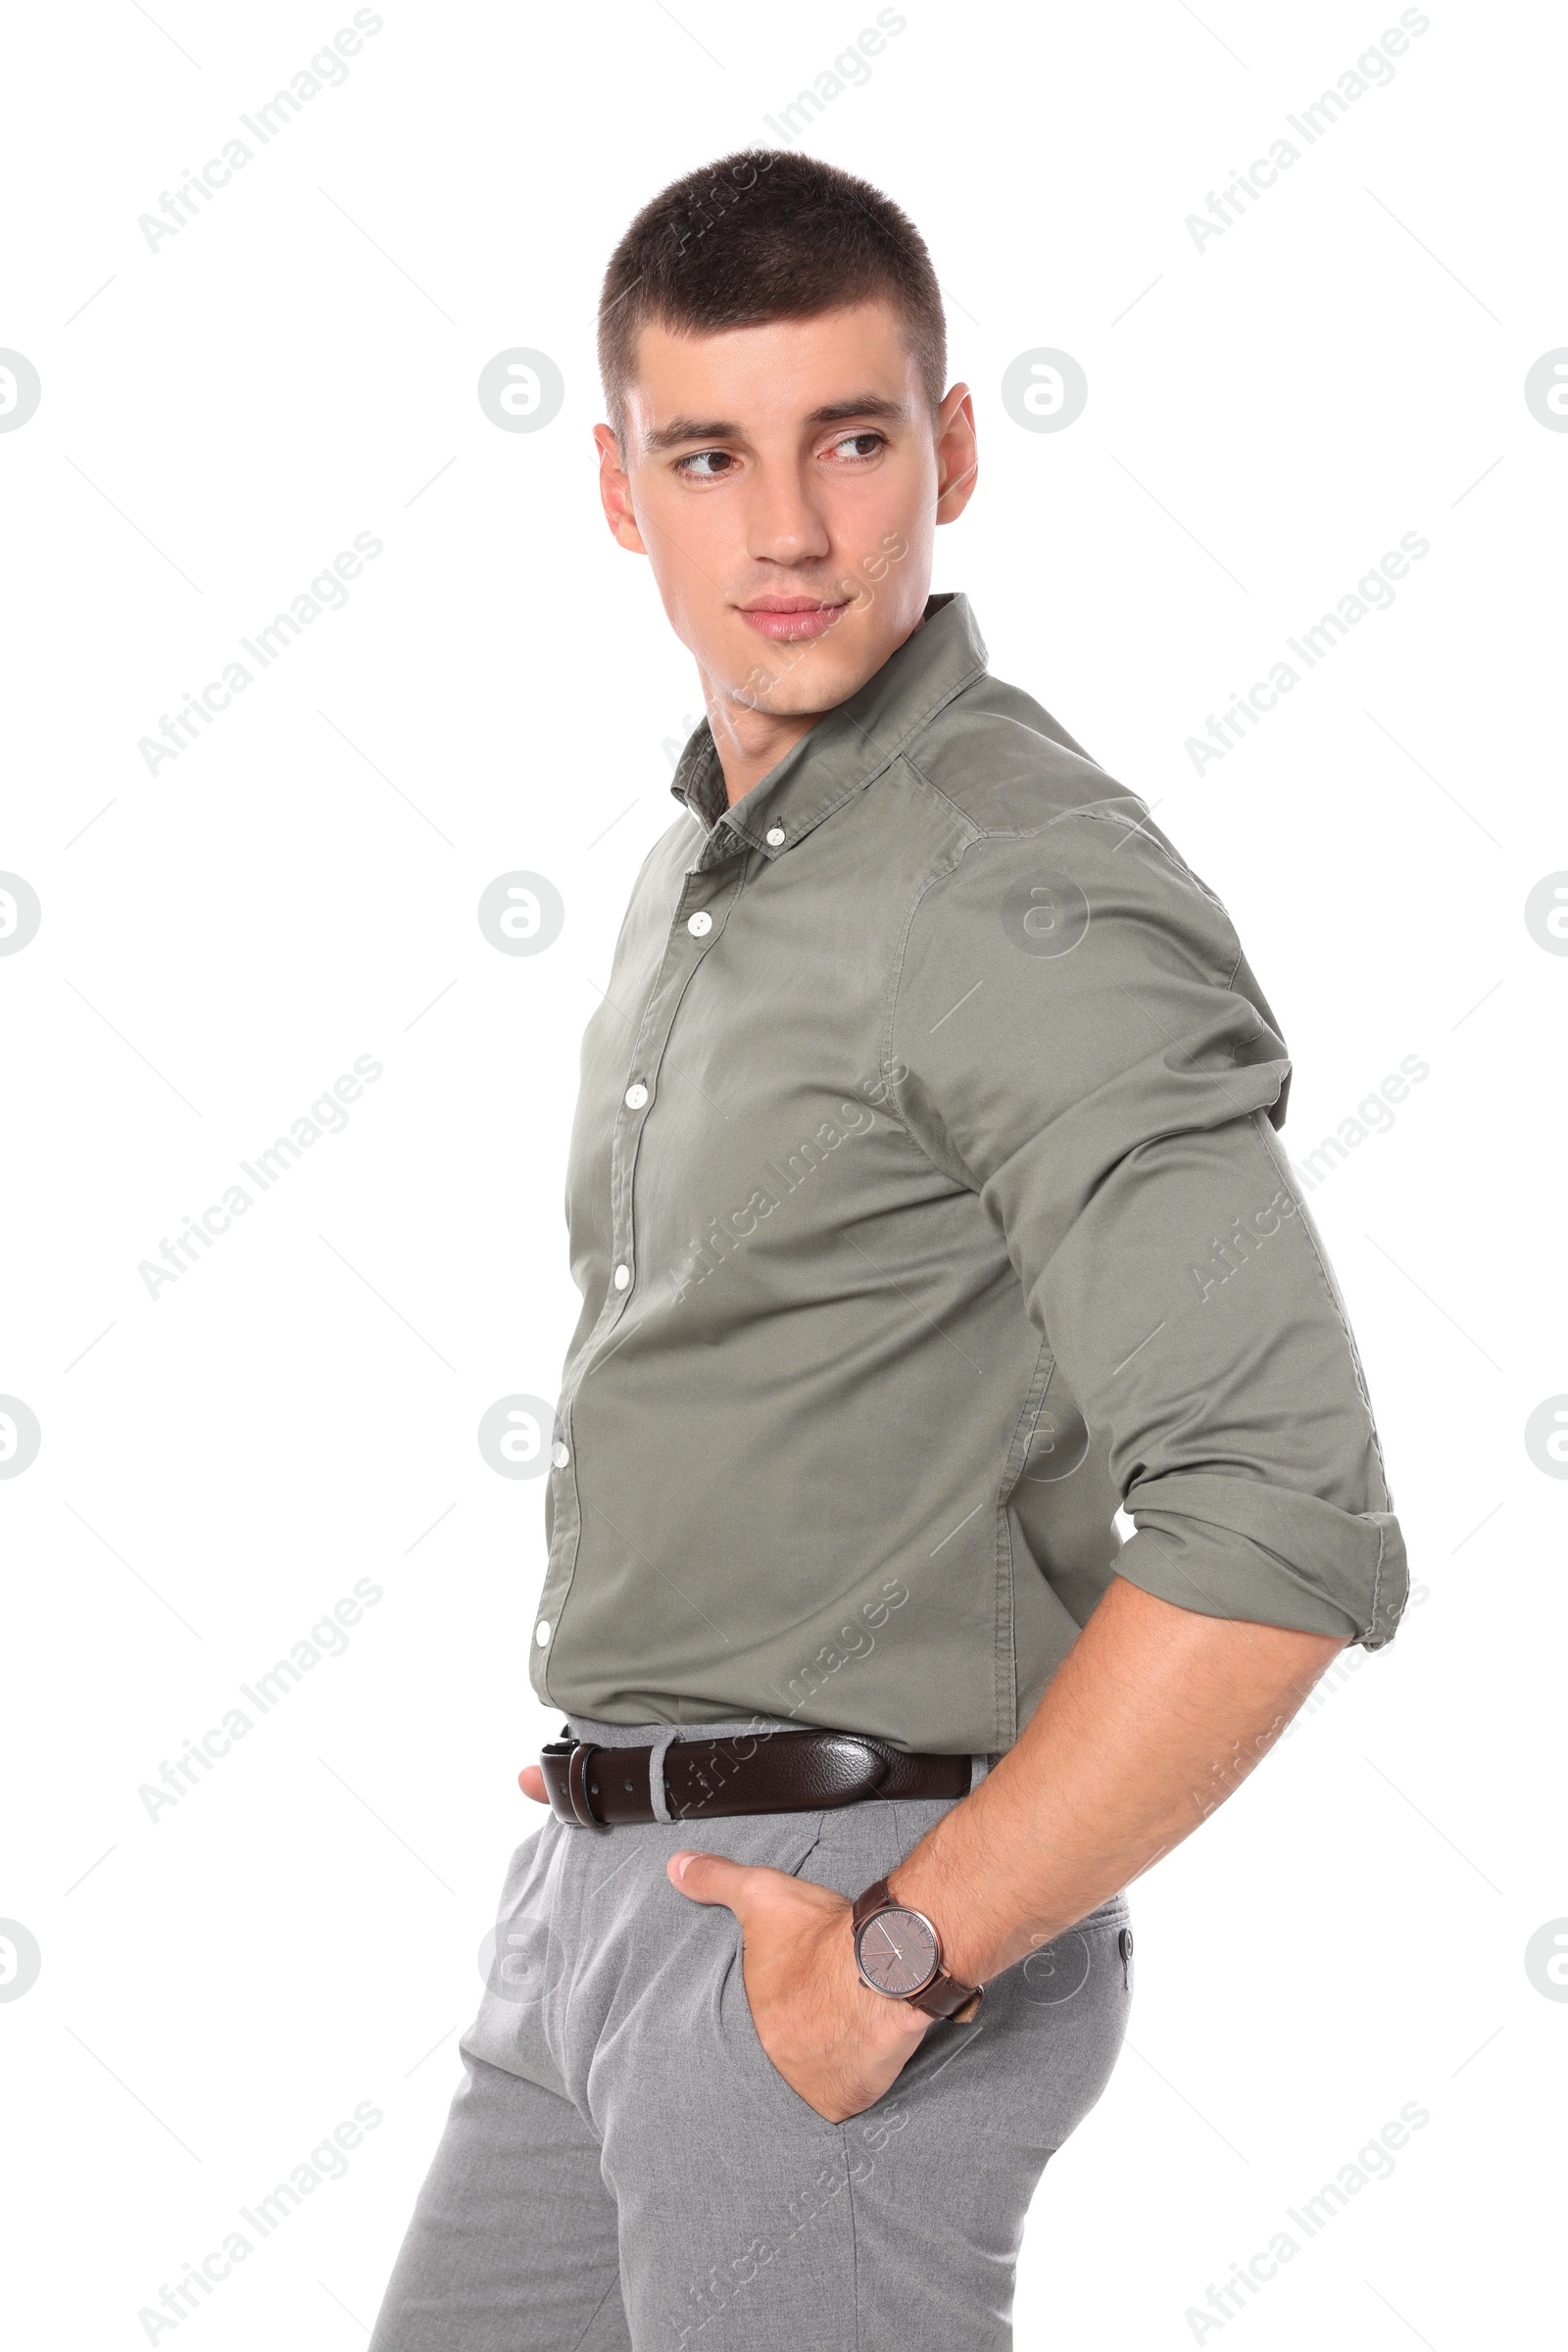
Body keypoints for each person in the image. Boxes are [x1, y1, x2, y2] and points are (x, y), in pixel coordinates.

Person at [368, 147, 1406, 2352]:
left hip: (842, 1928)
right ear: (616, 490)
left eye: (850, 440)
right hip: (596, 1908)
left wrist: (901, 1964)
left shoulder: (1015, 895)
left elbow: (1281, 1514)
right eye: (708, 455)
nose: (789, 531)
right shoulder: (705, 872)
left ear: (944, 448)